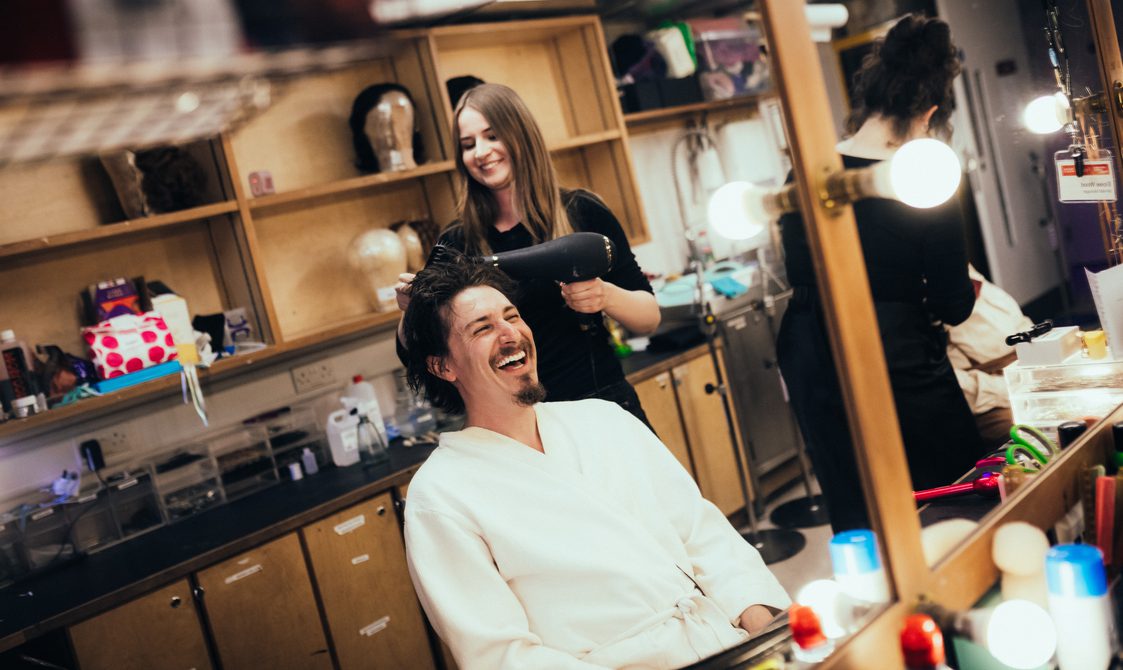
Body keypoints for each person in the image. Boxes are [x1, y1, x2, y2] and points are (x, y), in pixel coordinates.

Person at [400, 253, 790, 670]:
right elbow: (501, 656)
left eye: (512, 316)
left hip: (724, 644)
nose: (510, 333)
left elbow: (703, 533)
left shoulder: (605, 420)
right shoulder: (441, 496)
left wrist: (761, 626)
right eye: (483, 328)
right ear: (442, 365)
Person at [776, 14, 982, 532]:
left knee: (857, 503)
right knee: (951, 492)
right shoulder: (924, 178)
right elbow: (954, 302)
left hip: (807, 343)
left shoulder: (808, 169)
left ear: (870, 95)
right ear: (931, 110)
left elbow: (798, 267)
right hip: (894, 345)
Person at [395, 83, 659, 424]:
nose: (481, 151)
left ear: (521, 135)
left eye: (492, 136)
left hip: (602, 408)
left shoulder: (581, 212)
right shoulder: (457, 243)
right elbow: (416, 351)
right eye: (468, 144)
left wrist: (604, 295)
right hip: (516, 424)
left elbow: (649, 317)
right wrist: (408, 311)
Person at [946, 265, 1034, 449]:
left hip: (1026, 378)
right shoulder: (928, 307)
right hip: (988, 404)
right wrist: (1010, 390)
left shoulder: (977, 282)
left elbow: (1024, 326)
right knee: (1035, 435)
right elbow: (951, 382)